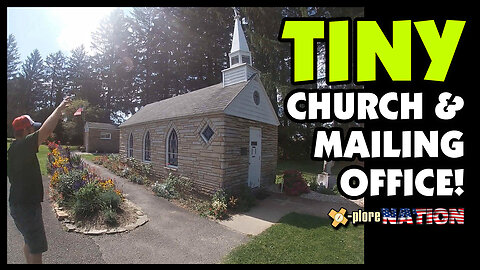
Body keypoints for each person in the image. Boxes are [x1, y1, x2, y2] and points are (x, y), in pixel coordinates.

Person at [7, 96, 71, 264]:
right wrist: (59, 109)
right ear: (26, 131)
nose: (35, 131)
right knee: (36, 247)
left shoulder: (17, 148)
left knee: (30, 242)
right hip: (26, 207)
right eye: (32, 129)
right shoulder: (22, 146)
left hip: (21, 205)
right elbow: (46, 131)